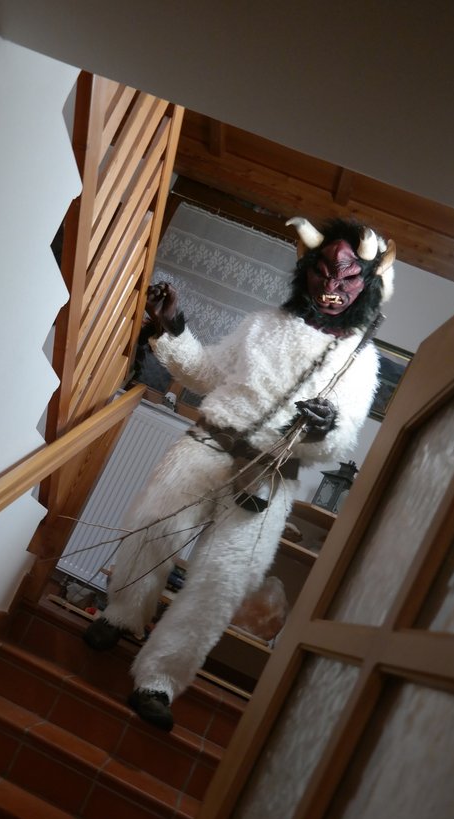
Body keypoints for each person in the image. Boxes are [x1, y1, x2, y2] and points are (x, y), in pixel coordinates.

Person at [83, 216, 396, 731]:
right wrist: (174, 327)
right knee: (154, 524)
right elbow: (205, 373)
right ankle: (121, 615)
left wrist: (324, 426)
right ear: (306, 270)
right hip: (209, 442)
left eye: (347, 277)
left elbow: (341, 442)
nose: (332, 286)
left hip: (271, 474)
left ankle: (160, 678)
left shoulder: (361, 362)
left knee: (225, 579)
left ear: (367, 285)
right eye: (322, 271)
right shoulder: (263, 325)